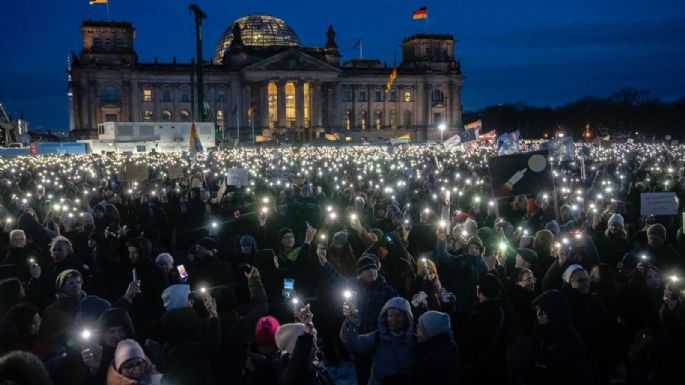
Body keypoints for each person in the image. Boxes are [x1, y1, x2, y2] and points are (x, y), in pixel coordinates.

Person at [318, 252, 397, 385]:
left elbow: (399, 308)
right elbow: (336, 279)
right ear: (359, 273)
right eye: (366, 269)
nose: (371, 271)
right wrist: (325, 263)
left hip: (380, 339)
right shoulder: (353, 286)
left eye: (373, 268)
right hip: (359, 338)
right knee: (363, 373)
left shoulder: (387, 290)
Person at [340, 297, 415, 385]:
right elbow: (354, 345)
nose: (393, 319)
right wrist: (351, 322)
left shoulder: (415, 341)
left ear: (407, 317)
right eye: (390, 315)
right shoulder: (378, 337)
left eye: (398, 315)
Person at [531, 290, 593, 385]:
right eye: (537, 310)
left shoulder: (568, 338)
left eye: (543, 311)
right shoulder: (542, 331)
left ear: (554, 312)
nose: (538, 314)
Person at [459, 273, 509, 385]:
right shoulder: (504, 311)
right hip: (500, 370)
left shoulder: (474, 319)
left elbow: (466, 349)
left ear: (478, 290)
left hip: (479, 374)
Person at [275, 306, 335, 385]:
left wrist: (309, 328)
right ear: (296, 348)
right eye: (311, 345)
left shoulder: (315, 365)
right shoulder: (293, 375)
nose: (316, 348)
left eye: (314, 343)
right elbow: (299, 361)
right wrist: (306, 336)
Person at [412, 311, 460, 385]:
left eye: (419, 328)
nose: (416, 331)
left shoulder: (432, 359)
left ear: (429, 331)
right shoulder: (448, 347)